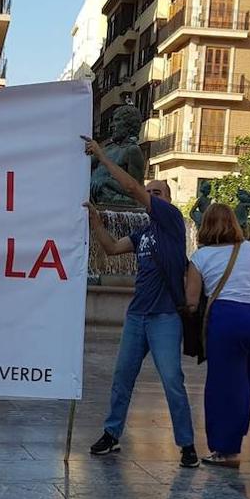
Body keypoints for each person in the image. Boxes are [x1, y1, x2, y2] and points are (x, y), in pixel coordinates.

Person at [83, 137, 198, 467]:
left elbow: (133, 188)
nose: (152, 197)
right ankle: (112, 434)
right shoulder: (144, 233)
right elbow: (111, 249)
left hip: (164, 317)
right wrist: (96, 223)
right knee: (122, 378)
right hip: (137, 316)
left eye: (157, 193)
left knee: (172, 381)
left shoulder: (173, 221)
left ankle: (187, 445)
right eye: (152, 193)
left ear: (168, 199)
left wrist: (103, 158)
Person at [185, 203, 250, 466]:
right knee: (246, 386)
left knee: (223, 388)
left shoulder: (199, 258)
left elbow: (191, 302)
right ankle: (235, 438)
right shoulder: (248, 248)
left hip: (229, 319)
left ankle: (226, 451)